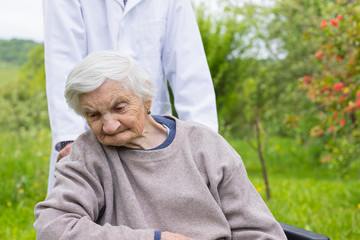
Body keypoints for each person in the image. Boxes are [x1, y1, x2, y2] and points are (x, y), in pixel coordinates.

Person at [34, 51, 287, 240]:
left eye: (119, 108)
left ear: (146, 99)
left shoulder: (205, 145)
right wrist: (155, 238)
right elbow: (53, 226)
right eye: (94, 116)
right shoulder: (87, 154)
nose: (109, 126)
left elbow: (261, 232)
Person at [43, 0, 218, 193]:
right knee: (83, 211)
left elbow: (190, 67)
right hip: (91, 132)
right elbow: (61, 59)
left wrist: (204, 145)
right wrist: (70, 141)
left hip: (152, 134)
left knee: (163, 209)